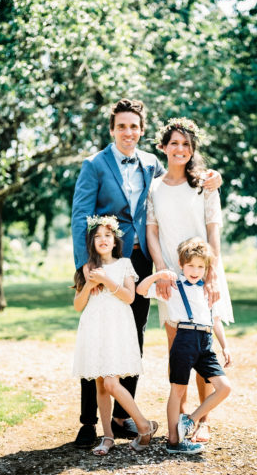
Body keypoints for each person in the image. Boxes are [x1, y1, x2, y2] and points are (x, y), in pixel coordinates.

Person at [71, 99, 221, 448]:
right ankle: (88, 421)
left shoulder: (152, 163)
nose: (128, 132)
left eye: (134, 126)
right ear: (112, 129)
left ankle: (123, 416)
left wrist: (215, 177)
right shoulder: (94, 165)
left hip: (139, 263)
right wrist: (85, 263)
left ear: (141, 130)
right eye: (122, 126)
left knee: (132, 333)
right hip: (102, 261)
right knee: (95, 331)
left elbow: (181, 176)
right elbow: (81, 214)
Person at [146, 117, 234, 443]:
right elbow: (151, 232)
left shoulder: (204, 185)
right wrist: (162, 271)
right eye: (174, 143)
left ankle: (203, 420)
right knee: (178, 350)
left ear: (192, 148)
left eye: (185, 144)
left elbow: (213, 230)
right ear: (163, 147)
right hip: (171, 278)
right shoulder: (153, 188)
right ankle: (180, 419)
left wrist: (211, 275)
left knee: (203, 346)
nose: (179, 149)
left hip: (205, 272)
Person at [136, 237, 232, 454]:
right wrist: (159, 275)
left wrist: (225, 346)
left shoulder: (208, 288)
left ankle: (190, 420)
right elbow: (140, 290)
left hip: (206, 343)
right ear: (181, 264)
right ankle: (173, 441)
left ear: (206, 267)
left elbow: (215, 319)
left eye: (200, 266)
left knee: (224, 387)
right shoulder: (173, 286)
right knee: (177, 390)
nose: (195, 271)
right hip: (184, 340)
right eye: (190, 265)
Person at [72, 215, 158, 455]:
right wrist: (89, 284)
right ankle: (108, 436)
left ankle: (143, 424)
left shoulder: (124, 265)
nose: (102, 239)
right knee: (100, 385)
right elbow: (78, 305)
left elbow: (130, 297)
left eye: (107, 235)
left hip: (116, 328)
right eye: (97, 236)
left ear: (115, 240)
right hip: (94, 328)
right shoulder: (88, 268)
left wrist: (107, 280)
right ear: (91, 241)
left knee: (111, 381)